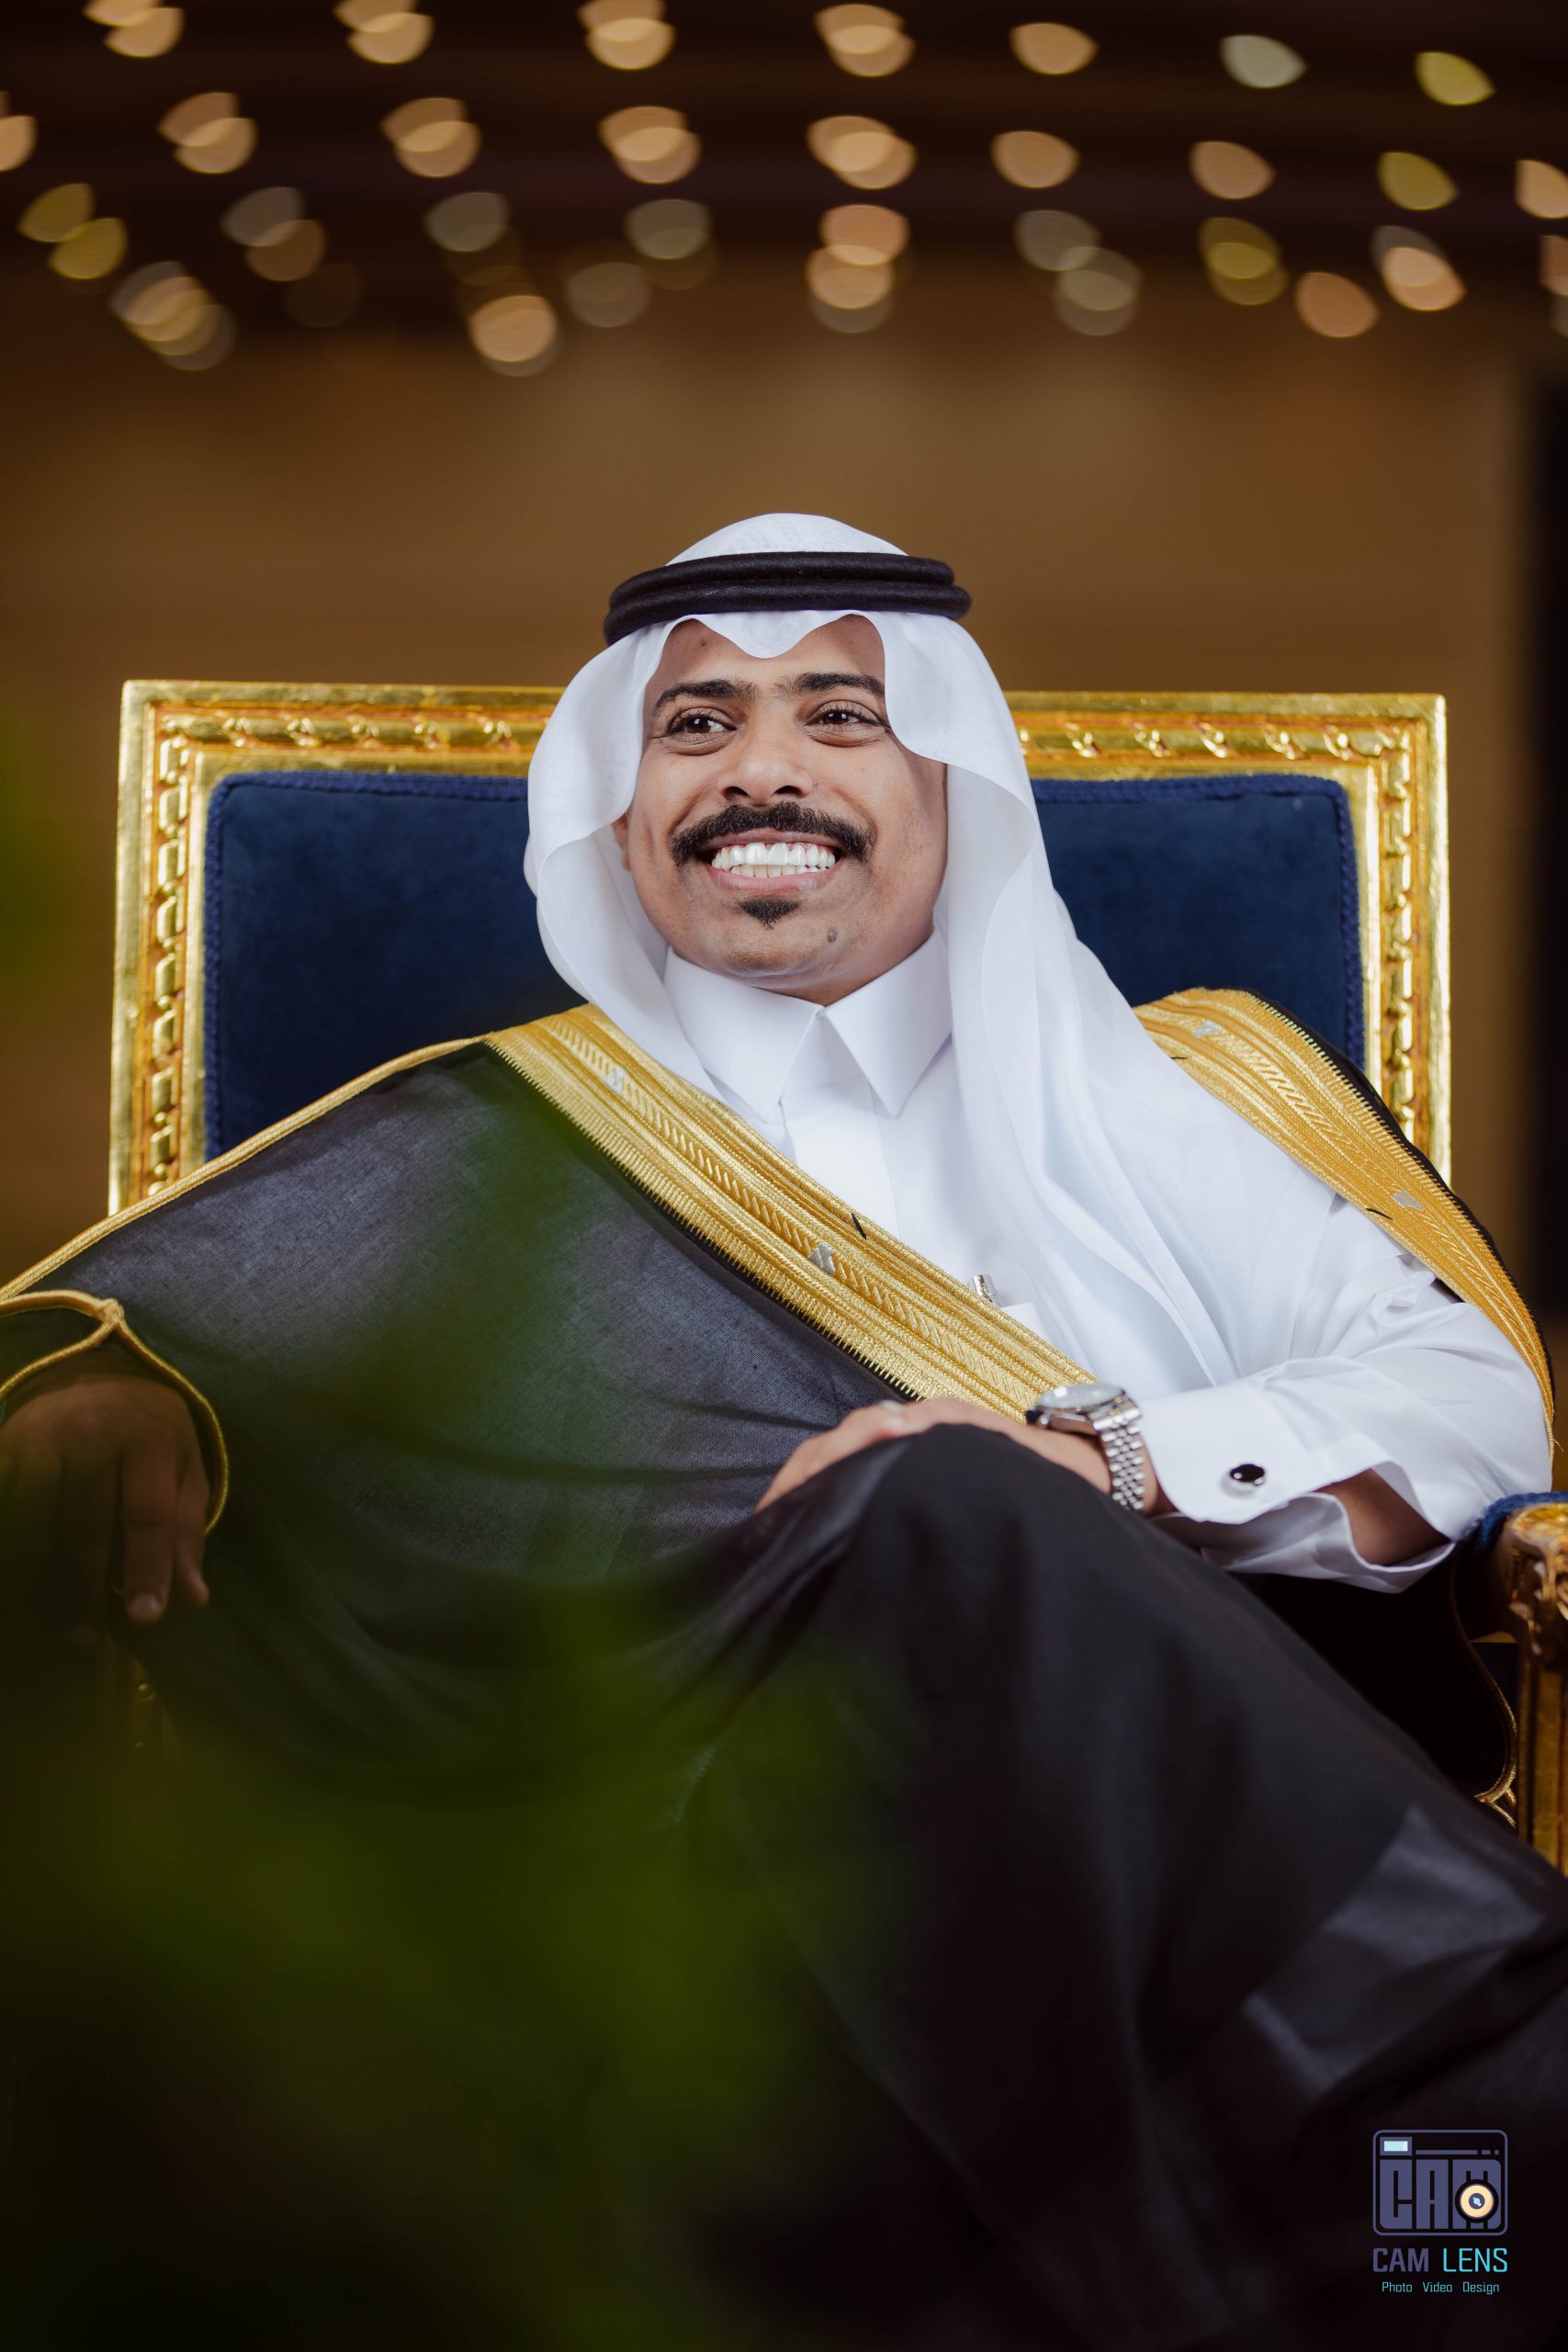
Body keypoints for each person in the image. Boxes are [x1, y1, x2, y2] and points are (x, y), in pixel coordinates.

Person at [0, 513, 1564, 2348]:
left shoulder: (1179, 1089)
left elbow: (1470, 1399)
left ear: (950, 785)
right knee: (941, 1510)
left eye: (838, 714)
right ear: (619, 813)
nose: (760, 769)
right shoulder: (488, 1147)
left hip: (1168, 1884)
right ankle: (1513, 2082)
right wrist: (98, 1385)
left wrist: (1103, 1464)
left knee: (957, 1504)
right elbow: (132, 1324)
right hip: (706, 1902)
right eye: (695, 725)